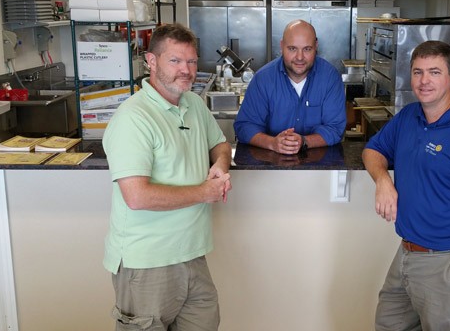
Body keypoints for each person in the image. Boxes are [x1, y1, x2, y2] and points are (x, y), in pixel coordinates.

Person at [362, 40, 450, 331]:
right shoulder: (408, 117)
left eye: (434, 72)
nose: (424, 81)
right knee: (388, 324)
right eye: (418, 72)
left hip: (444, 260)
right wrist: (383, 180)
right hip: (406, 254)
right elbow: (372, 150)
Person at [102, 23, 232, 331]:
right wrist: (205, 192)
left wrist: (221, 165)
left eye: (191, 61)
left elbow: (220, 144)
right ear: (151, 61)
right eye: (175, 60)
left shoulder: (194, 105)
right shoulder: (134, 118)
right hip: (146, 264)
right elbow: (136, 196)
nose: (185, 70)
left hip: (193, 254)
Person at [234, 19, 346, 154]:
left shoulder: (330, 78)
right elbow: (245, 127)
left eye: (307, 49)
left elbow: (335, 128)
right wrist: (273, 143)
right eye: (292, 49)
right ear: (282, 46)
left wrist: (304, 141)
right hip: (269, 167)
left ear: (316, 46)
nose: (299, 57)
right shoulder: (263, 79)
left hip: (320, 169)